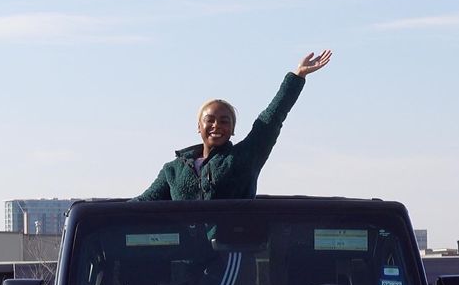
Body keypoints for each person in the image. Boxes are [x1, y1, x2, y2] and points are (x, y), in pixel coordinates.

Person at [134, 50, 332, 201]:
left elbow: (271, 120)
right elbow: (144, 203)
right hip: (188, 251)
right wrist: (103, 214)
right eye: (210, 120)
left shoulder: (244, 157)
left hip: (231, 249)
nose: (216, 125)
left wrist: (297, 76)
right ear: (199, 126)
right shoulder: (173, 169)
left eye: (224, 121)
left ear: (232, 129)